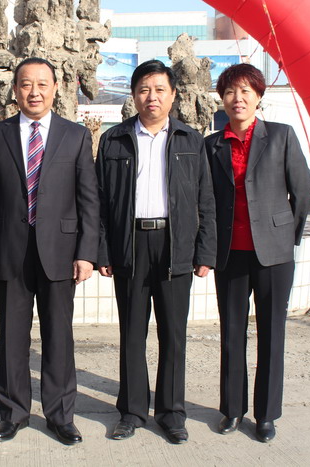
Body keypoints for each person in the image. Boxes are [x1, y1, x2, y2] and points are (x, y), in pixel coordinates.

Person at [0, 57, 99, 445]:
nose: (34, 92)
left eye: (42, 84)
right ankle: (13, 413)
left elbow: (88, 198)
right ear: (15, 90)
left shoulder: (75, 135)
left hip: (61, 251)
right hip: (9, 251)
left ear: (56, 88)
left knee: (59, 336)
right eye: (26, 84)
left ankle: (60, 415)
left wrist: (86, 252)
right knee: (11, 337)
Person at [96, 60, 216, 444]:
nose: (152, 97)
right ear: (133, 96)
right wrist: (103, 251)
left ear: (173, 95)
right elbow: (100, 202)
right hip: (130, 244)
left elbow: (206, 200)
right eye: (144, 89)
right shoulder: (114, 140)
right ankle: (132, 411)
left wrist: (205, 252)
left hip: (174, 244)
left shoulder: (190, 140)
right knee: (132, 332)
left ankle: (171, 413)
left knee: (173, 333)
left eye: (160, 89)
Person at [204, 63, 310, 442]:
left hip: (273, 256)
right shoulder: (212, 145)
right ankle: (232, 410)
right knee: (232, 334)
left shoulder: (281, 136)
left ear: (258, 96)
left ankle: (266, 415)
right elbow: (207, 200)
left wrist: (285, 236)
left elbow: (303, 191)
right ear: (222, 98)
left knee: (271, 334)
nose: (238, 98)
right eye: (230, 91)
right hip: (230, 255)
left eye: (245, 91)